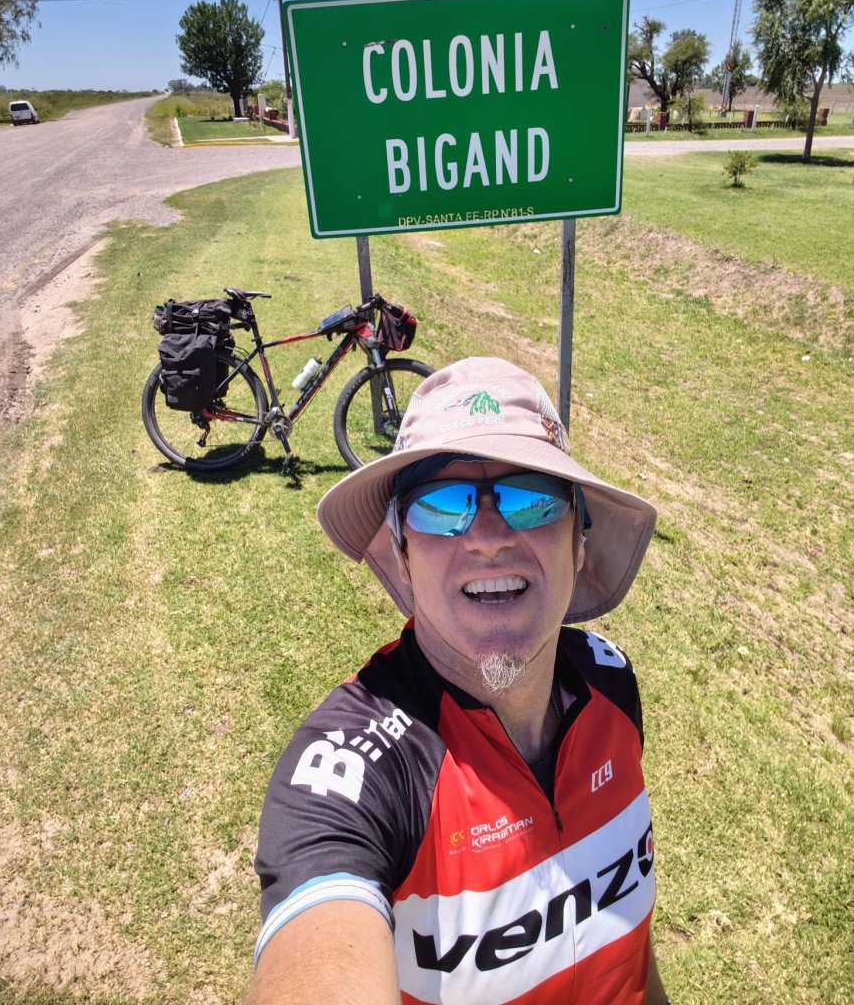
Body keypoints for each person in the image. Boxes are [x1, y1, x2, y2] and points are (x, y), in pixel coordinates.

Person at [247, 357, 670, 1005]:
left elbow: (627, 947)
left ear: (579, 543)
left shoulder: (610, 683)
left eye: (533, 497)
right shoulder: (352, 778)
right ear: (403, 556)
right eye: (444, 505)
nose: (491, 535)